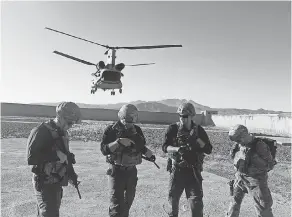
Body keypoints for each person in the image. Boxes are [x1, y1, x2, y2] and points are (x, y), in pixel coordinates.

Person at [26, 102, 82, 217]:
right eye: (70, 122)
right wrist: (55, 154)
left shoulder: (62, 133)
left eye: (73, 123)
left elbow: (65, 158)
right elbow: (31, 158)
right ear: (60, 117)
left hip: (56, 181)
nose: (71, 126)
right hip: (43, 182)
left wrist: (71, 174)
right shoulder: (40, 131)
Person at [100, 104, 156, 217]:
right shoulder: (111, 130)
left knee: (127, 202)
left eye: (132, 121)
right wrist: (118, 142)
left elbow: (141, 145)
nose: (130, 123)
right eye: (127, 120)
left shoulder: (137, 130)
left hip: (131, 171)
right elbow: (104, 150)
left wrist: (148, 153)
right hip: (116, 171)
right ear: (122, 117)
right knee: (116, 204)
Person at [162, 102, 213, 217]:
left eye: (185, 117)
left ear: (191, 116)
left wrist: (197, 139)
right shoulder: (172, 129)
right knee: (172, 202)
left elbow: (208, 149)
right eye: (180, 116)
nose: (182, 119)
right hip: (177, 171)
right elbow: (165, 147)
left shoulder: (199, 130)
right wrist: (176, 149)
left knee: (196, 204)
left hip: (193, 172)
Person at [225, 124, 275, 217]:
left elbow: (270, 165)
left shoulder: (260, 145)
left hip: (256, 180)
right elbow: (234, 157)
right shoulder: (238, 144)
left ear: (245, 135)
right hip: (239, 178)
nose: (238, 142)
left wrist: (255, 159)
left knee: (263, 208)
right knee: (233, 204)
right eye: (236, 140)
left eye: (239, 140)